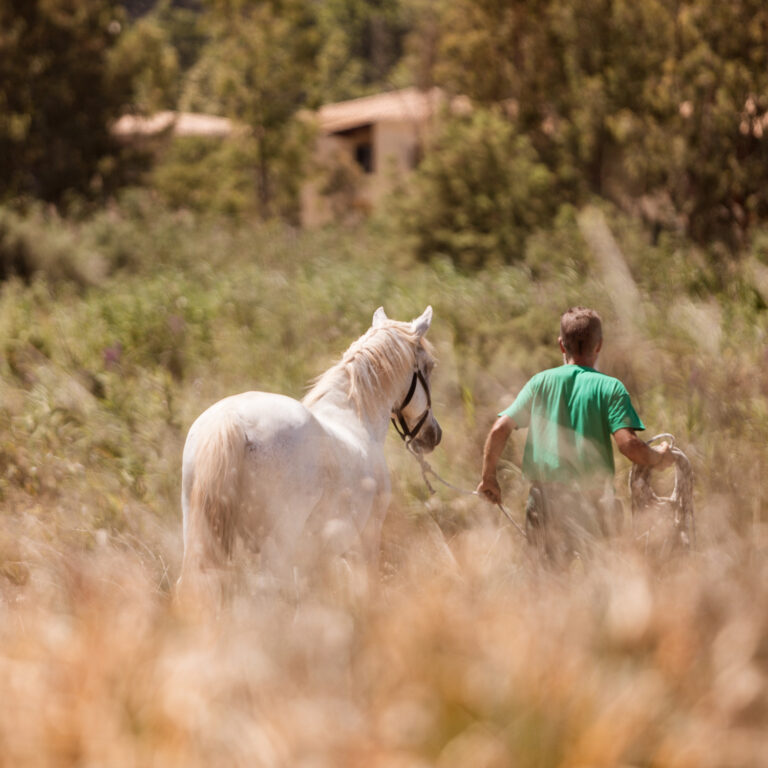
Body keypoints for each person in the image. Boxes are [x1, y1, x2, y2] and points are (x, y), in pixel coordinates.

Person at [476, 307, 674, 563]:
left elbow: (499, 429)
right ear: (599, 345)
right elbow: (628, 445)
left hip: (544, 502)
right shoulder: (610, 387)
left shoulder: (539, 383)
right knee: (600, 576)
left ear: (561, 345)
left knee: (546, 579)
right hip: (593, 503)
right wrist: (658, 458)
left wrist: (489, 478)